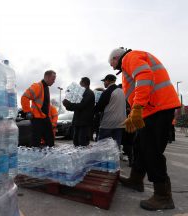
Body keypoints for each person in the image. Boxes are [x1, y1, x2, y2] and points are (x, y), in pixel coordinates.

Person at [109, 47, 181, 211]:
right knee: (140, 145)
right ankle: (136, 179)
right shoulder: (132, 59)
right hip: (152, 109)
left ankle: (163, 196)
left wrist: (137, 107)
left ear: (116, 58)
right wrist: (136, 110)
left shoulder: (130, 57)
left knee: (151, 150)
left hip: (157, 109)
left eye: (111, 63)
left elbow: (144, 76)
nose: (112, 67)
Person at [21, 70, 56, 147]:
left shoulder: (46, 88)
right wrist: (28, 111)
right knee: (35, 143)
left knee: (50, 142)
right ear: (47, 77)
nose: (54, 81)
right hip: (37, 119)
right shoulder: (37, 86)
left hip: (45, 119)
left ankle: (48, 157)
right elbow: (24, 97)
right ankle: (34, 157)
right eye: (53, 79)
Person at [94, 74, 126, 147]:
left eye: (104, 81)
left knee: (102, 146)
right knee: (116, 146)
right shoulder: (122, 91)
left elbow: (99, 107)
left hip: (108, 123)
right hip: (121, 123)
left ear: (108, 81)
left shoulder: (108, 91)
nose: (104, 83)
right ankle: (115, 158)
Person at [62, 77, 95, 146]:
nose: (79, 84)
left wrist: (68, 104)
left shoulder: (89, 93)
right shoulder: (81, 92)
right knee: (76, 142)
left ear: (83, 83)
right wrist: (67, 105)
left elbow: (81, 105)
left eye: (80, 82)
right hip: (78, 122)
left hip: (84, 123)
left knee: (82, 143)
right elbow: (76, 107)